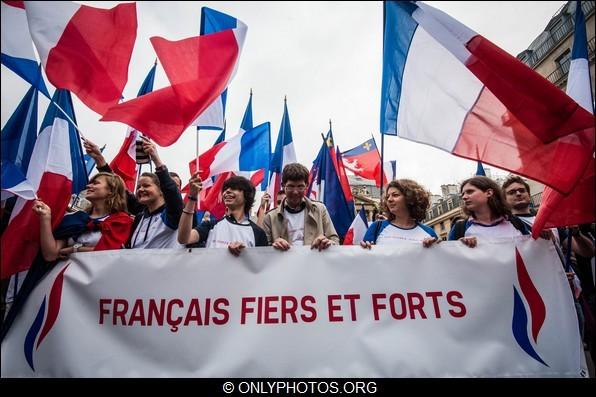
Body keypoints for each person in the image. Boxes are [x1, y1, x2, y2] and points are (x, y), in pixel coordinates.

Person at [32, 172, 133, 261]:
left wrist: (75, 249)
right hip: (63, 277)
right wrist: (45, 217)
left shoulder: (122, 221)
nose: (88, 186)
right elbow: (51, 255)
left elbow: (111, 252)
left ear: (111, 190)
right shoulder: (74, 219)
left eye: (95, 183)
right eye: (90, 183)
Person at [178, 174, 268, 255]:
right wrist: (192, 197)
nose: (227, 191)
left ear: (247, 196)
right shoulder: (211, 225)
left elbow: (261, 266)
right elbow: (184, 239)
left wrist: (244, 254)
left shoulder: (258, 233)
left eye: (234, 188)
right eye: (225, 189)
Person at [262, 163, 339, 251]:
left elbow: (335, 241)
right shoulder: (270, 217)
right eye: (291, 186)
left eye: (300, 187)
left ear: (307, 185)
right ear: (283, 186)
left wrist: (327, 242)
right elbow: (263, 251)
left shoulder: (320, 210)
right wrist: (274, 246)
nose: (295, 192)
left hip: (315, 263)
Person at [127, 139, 184, 248]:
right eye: (139, 187)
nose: (140, 190)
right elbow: (121, 193)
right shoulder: (139, 218)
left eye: (146, 186)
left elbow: (172, 194)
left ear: (161, 190)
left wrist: (156, 159)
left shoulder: (171, 215)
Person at [448, 176, 529, 247]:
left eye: (470, 192)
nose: (464, 197)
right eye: (463, 194)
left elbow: (531, 249)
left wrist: (540, 237)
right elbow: (448, 258)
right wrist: (458, 246)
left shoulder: (515, 222)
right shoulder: (459, 228)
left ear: (489, 193)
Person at [360, 179, 438, 249]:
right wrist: (364, 248)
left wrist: (436, 246)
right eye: (387, 197)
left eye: (395, 195)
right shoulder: (376, 227)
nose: (389, 200)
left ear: (410, 198)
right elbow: (366, 259)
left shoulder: (429, 233)